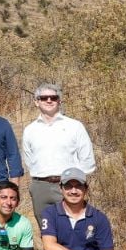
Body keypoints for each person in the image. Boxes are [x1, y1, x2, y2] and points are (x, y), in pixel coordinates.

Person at [22, 84, 96, 219]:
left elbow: (87, 159)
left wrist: (75, 183)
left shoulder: (74, 126)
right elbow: (29, 159)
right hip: (40, 187)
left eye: (53, 97)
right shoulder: (30, 130)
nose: (49, 100)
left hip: (68, 185)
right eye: (44, 98)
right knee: (46, 230)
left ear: (59, 101)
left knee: (73, 226)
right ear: (36, 102)